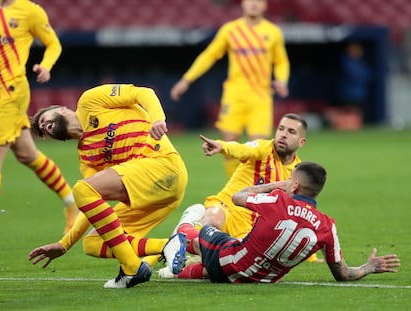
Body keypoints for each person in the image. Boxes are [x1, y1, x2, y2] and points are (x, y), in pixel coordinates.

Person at [28, 83, 189, 288]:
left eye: (44, 120)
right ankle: (176, 245)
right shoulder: (87, 157)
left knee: (82, 189)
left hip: (162, 165)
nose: (43, 126)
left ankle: (133, 269)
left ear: (61, 109)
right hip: (149, 194)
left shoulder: (90, 101)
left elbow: (144, 92)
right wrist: (64, 244)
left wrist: (158, 118)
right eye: (42, 131)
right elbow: (90, 205)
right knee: (93, 243)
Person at [174, 161, 401, 283]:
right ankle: (173, 272)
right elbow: (343, 274)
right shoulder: (327, 226)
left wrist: (273, 186)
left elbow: (237, 197)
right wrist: (369, 267)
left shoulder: (277, 200)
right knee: (209, 270)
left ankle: (182, 231)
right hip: (259, 280)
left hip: (229, 261)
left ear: (294, 186)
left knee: (204, 231)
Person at [159, 113, 320, 279]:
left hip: (249, 228)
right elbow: (242, 149)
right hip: (227, 207)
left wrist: (312, 256)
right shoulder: (263, 148)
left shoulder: (297, 174)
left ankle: (178, 270)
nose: (283, 134)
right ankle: (185, 230)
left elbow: (298, 213)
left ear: (302, 142)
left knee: (234, 268)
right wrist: (221, 146)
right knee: (213, 219)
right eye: (281, 129)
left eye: (291, 132)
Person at [170, 0, 290, 178]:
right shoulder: (230, 30)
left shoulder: (273, 32)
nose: (254, 4)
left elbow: (281, 61)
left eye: (259, 1)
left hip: (260, 96)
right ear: (242, 4)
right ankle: (233, 189)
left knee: (257, 147)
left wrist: (281, 80)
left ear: (265, 5)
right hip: (234, 95)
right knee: (228, 144)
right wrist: (186, 79)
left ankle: (252, 190)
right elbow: (209, 55)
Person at [0, 0, 77, 233]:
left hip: (10, 94)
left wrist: (46, 66)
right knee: (27, 155)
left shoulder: (29, 11)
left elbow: (53, 44)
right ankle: (71, 203)